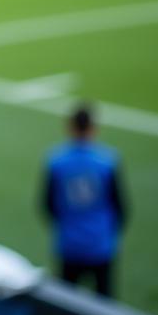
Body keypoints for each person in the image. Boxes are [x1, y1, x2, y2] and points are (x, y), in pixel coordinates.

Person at [42, 104, 128, 297]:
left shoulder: (56, 161)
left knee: (67, 304)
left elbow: (47, 204)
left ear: (70, 127)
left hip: (69, 244)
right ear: (93, 128)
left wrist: (65, 226)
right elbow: (121, 206)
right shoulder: (108, 160)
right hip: (101, 244)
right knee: (105, 306)